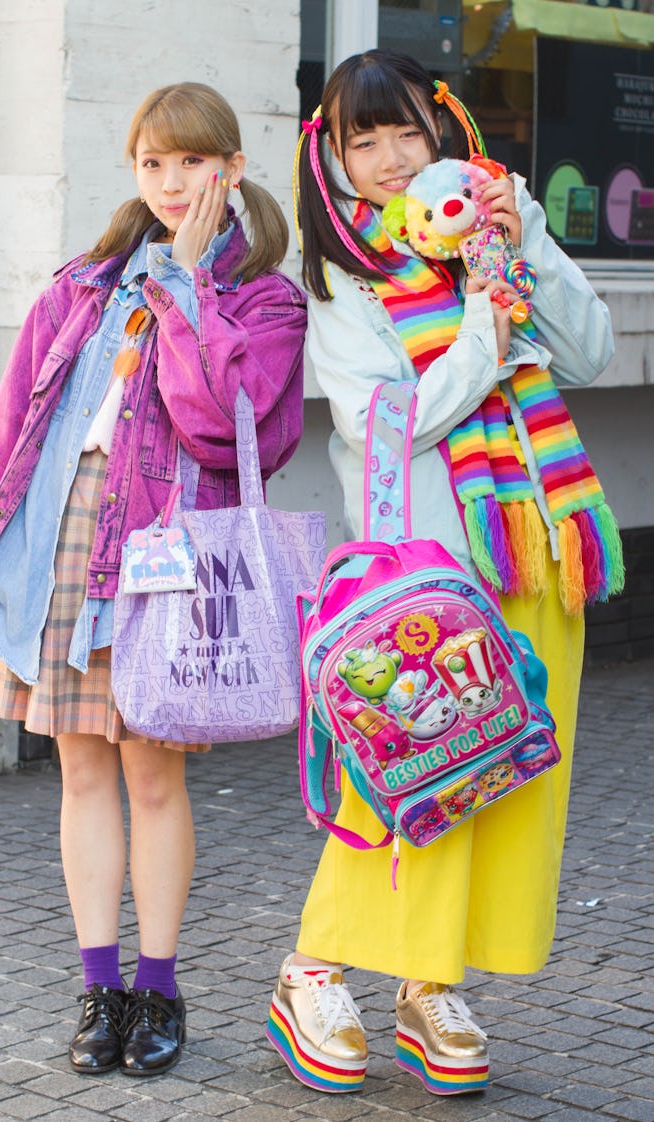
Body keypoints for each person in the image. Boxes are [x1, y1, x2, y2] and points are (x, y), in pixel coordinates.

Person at [0, 82, 306, 1078]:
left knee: (152, 775)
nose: (173, 182)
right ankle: (99, 987)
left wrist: (185, 288)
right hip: (60, 547)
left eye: (192, 162)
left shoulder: (264, 296)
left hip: (163, 566)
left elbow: (220, 417)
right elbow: (14, 421)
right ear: (134, 170)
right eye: (153, 163)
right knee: (82, 770)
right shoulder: (84, 284)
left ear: (230, 166)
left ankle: (160, 985)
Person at [266, 49, 622, 1097]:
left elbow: (592, 352)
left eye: (404, 132)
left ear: (443, 129)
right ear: (330, 152)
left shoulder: (495, 230)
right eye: (359, 139)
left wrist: (529, 246)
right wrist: (483, 316)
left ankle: (428, 985)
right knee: (409, 775)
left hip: (539, 552)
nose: (385, 159)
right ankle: (313, 966)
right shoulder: (346, 277)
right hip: (426, 574)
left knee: (506, 780)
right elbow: (395, 424)